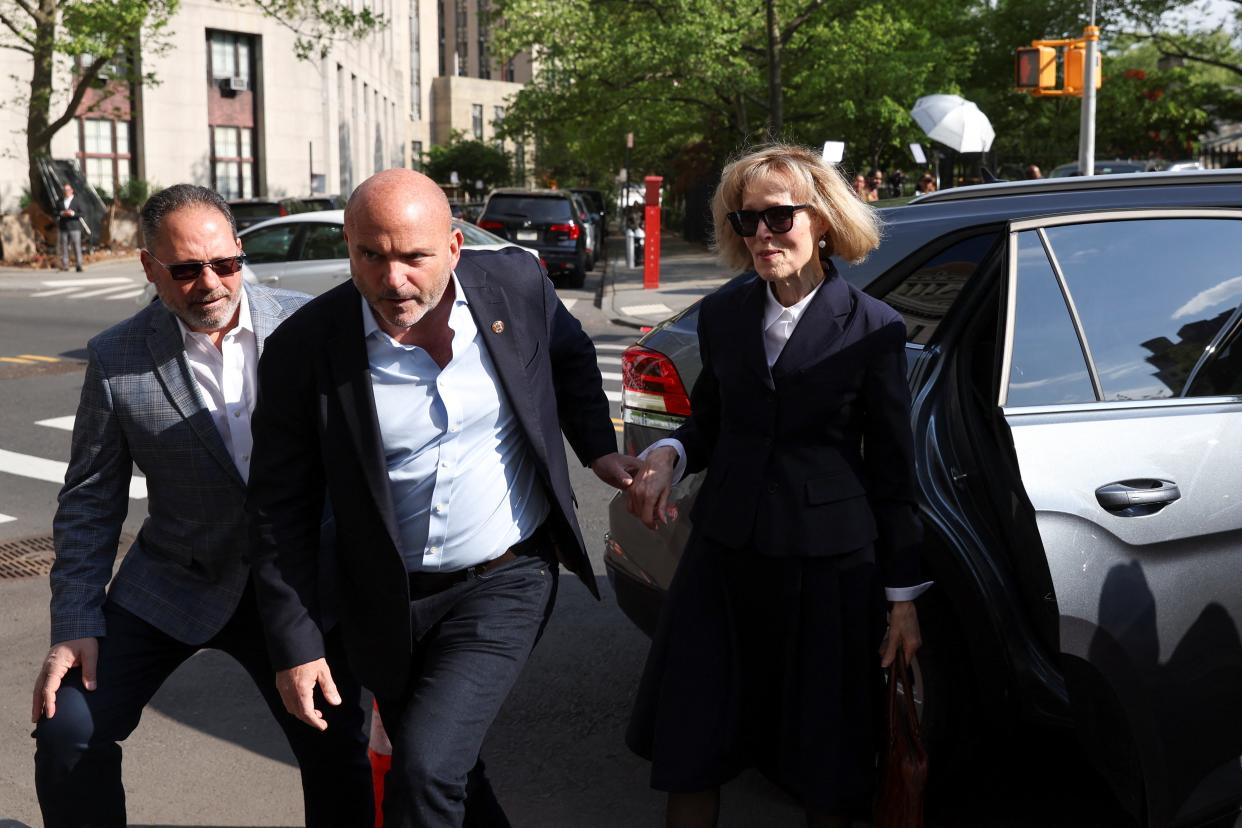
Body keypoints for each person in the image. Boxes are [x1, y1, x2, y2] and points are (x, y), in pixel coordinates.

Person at [245, 168, 637, 828]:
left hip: (503, 579)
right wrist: (297, 644)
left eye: (413, 257)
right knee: (453, 770)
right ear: (349, 245)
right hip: (385, 602)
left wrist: (598, 448)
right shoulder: (304, 348)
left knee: (423, 769)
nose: (392, 280)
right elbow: (278, 506)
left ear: (454, 248)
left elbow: (569, 358)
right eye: (371, 255)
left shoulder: (515, 283)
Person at [30, 184, 372, 828]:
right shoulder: (116, 357)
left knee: (338, 753)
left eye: (225, 264)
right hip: (174, 579)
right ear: (149, 267)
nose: (210, 283)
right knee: (67, 729)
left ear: (241, 253)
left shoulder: (310, 328)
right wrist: (74, 621)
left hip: (299, 588)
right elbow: (89, 501)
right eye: (186, 270)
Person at [625, 143, 929, 828]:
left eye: (778, 217)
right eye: (745, 221)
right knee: (694, 741)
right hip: (724, 556)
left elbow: (892, 470)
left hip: (827, 567)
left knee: (824, 756)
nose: (761, 234)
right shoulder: (726, 315)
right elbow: (711, 420)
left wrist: (902, 598)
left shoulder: (873, 329)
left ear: (822, 219)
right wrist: (671, 452)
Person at [57, 182, 84, 272]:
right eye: (65, 190)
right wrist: (62, 213)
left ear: (72, 191)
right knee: (64, 247)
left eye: (68, 190)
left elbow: (83, 213)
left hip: (74, 227)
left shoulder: (77, 201)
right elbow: (55, 212)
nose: (66, 192)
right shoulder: (60, 201)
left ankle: (79, 265)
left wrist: (72, 213)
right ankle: (65, 265)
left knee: (76, 246)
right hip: (63, 227)